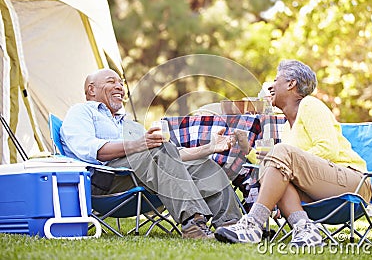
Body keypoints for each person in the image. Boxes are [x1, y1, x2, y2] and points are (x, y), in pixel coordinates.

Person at [60, 68, 243, 239]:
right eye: (111, 81)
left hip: (143, 175)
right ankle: (193, 223)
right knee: (156, 150)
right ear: (92, 90)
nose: (119, 87)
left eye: (120, 83)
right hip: (105, 180)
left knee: (203, 164)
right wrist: (137, 145)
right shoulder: (81, 112)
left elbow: (169, 155)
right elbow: (88, 148)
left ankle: (231, 225)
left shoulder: (129, 124)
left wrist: (208, 149)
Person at [214, 60, 372, 246]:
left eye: (275, 80)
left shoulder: (310, 104)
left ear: (291, 84)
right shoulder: (286, 128)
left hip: (353, 183)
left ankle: (253, 223)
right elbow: (276, 164)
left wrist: (292, 162)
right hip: (319, 186)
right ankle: (306, 230)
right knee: (278, 173)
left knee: (282, 156)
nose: (270, 86)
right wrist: (246, 148)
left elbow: (328, 149)